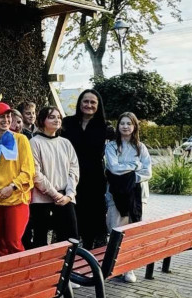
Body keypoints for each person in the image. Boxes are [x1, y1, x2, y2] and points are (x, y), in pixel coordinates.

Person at [61, 89, 112, 252]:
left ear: (98, 105)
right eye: (85, 101)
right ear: (80, 103)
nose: (88, 105)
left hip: (95, 176)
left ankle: (93, 251)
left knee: (94, 212)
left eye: (93, 102)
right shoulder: (67, 123)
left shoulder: (105, 127)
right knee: (75, 212)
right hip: (71, 175)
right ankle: (74, 247)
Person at [105, 112, 152, 283]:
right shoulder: (111, 146)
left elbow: (147, 172)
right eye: (122, 123)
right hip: (115, 194)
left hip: (137, 196)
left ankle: (128, 268)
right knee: (115, 230)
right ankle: (114, 267)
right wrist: (135, 166)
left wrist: (130, 178)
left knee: (131, 231)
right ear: (118, 126)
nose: (125, 126)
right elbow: (114, 168)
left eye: (129, 123)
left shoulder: (141, 147)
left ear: (134, 126)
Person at [0, 100, 35, 256]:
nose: (6, 120)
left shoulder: (21, 139)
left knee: (13, 242)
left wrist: (12, 186)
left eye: (8, 116)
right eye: (1, 117)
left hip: (15, 198)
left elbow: (28, 171)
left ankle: (23, 277)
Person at [28, 106, 80, 248]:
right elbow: (36, 173)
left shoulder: (65, 143)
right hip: (42, 200)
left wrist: (69, 194)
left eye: (58, 117)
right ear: (42, 120)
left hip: (65, 197)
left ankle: (67, 269)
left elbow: (74, 169)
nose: (56, 120)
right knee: (41, 241)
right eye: (51, 117)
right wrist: (54, 194)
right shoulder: (35, 142)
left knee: (71, 239)